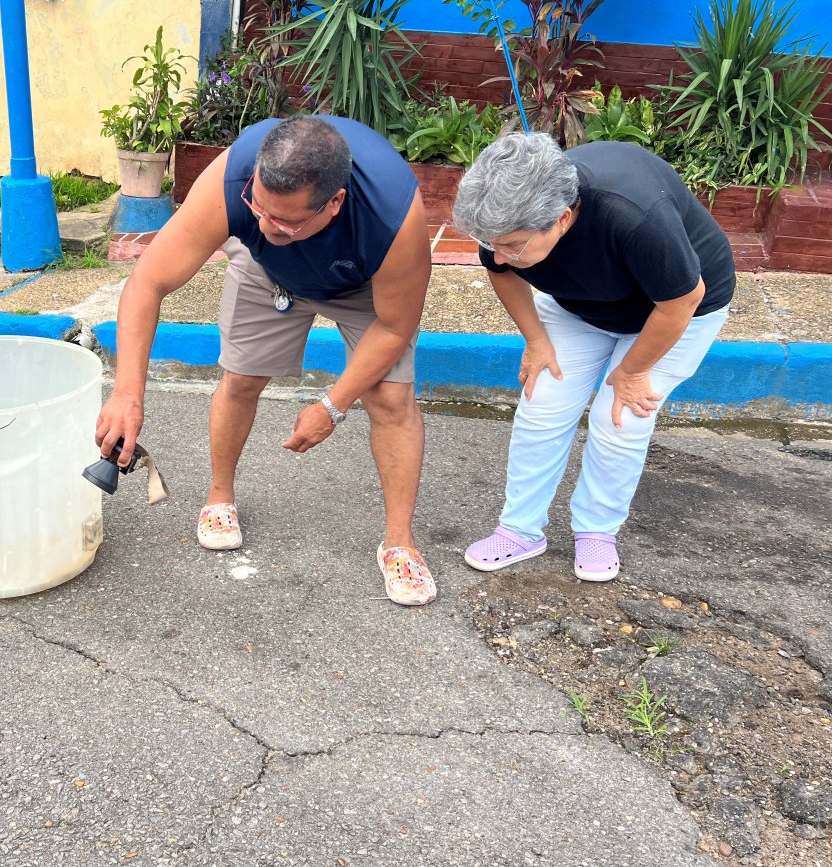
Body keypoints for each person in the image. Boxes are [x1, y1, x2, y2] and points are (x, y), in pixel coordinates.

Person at [94, 115, 435, 605]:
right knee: (240, 378)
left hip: (363, 286)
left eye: (288, 219)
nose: (266, 224)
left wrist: (331, 406)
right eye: (259, 209)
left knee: (391, 398)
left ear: (334, 203)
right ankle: (219, 498)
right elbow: (148, 281)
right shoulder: (233, 183)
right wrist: (127, 391)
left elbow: (395, 327)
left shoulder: (392, 215)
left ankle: (400, 543)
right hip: (269, 273)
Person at [451, 132, 734, 582]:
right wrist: (536, 339)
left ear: (562, 219)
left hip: (676, 310)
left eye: (513, 245)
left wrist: (632, 370)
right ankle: (521, 530)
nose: (498, 254)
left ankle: (598, 531)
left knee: (620, 417)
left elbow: (683, 299)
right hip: (580, 306)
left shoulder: (634, 215)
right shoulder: (503, 218)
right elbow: (501, 273)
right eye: (492, 243)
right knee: (541, 403)